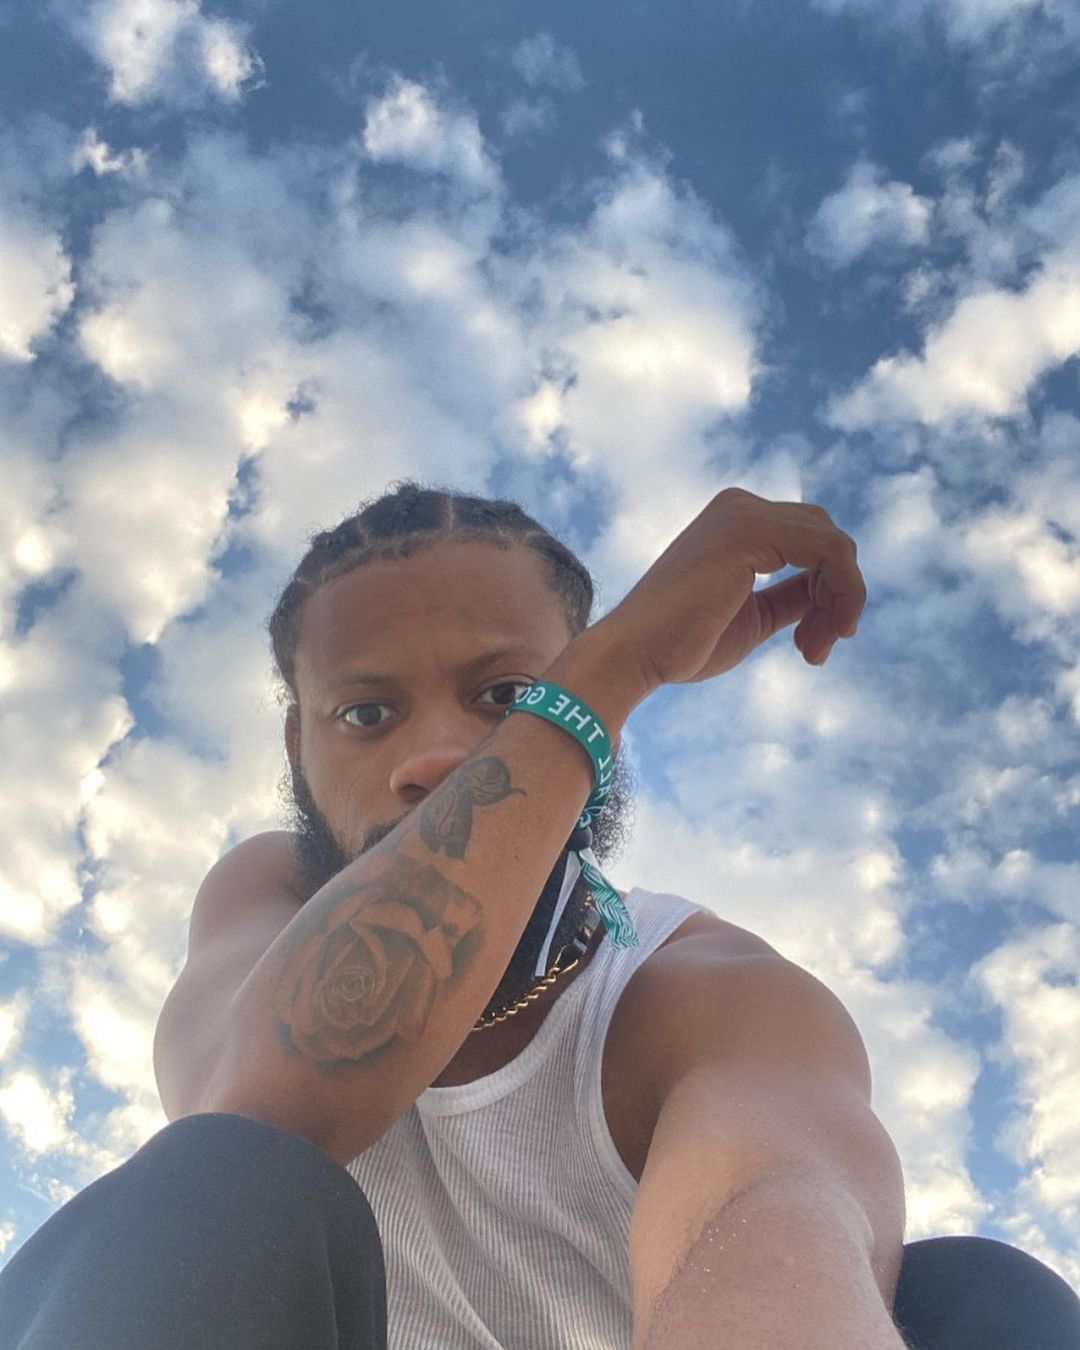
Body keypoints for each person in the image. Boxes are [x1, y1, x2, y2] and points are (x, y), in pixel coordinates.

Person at [1, 482, 1077, 1350]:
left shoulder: (700, 990)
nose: (434, 757)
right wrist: (610, 667)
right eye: (366, 713)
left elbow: (775, 1236)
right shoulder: (266, 895)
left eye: (505, 696)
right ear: (299, 749)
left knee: (979, 1301)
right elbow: (255, 1128)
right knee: (216, 1176)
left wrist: (597, 680)